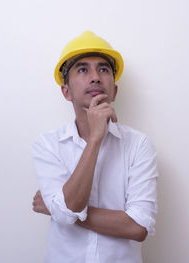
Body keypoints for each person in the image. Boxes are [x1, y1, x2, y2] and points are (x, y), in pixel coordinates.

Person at [31, 31, 158, 263]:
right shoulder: (47, 145)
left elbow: (139, 227)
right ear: (66, 91)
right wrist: (95, 140)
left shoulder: (139, 144)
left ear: (115, 91)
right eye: (82, 69)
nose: (95, 78)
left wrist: (56, 208)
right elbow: (67, 210)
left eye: (103, 69)